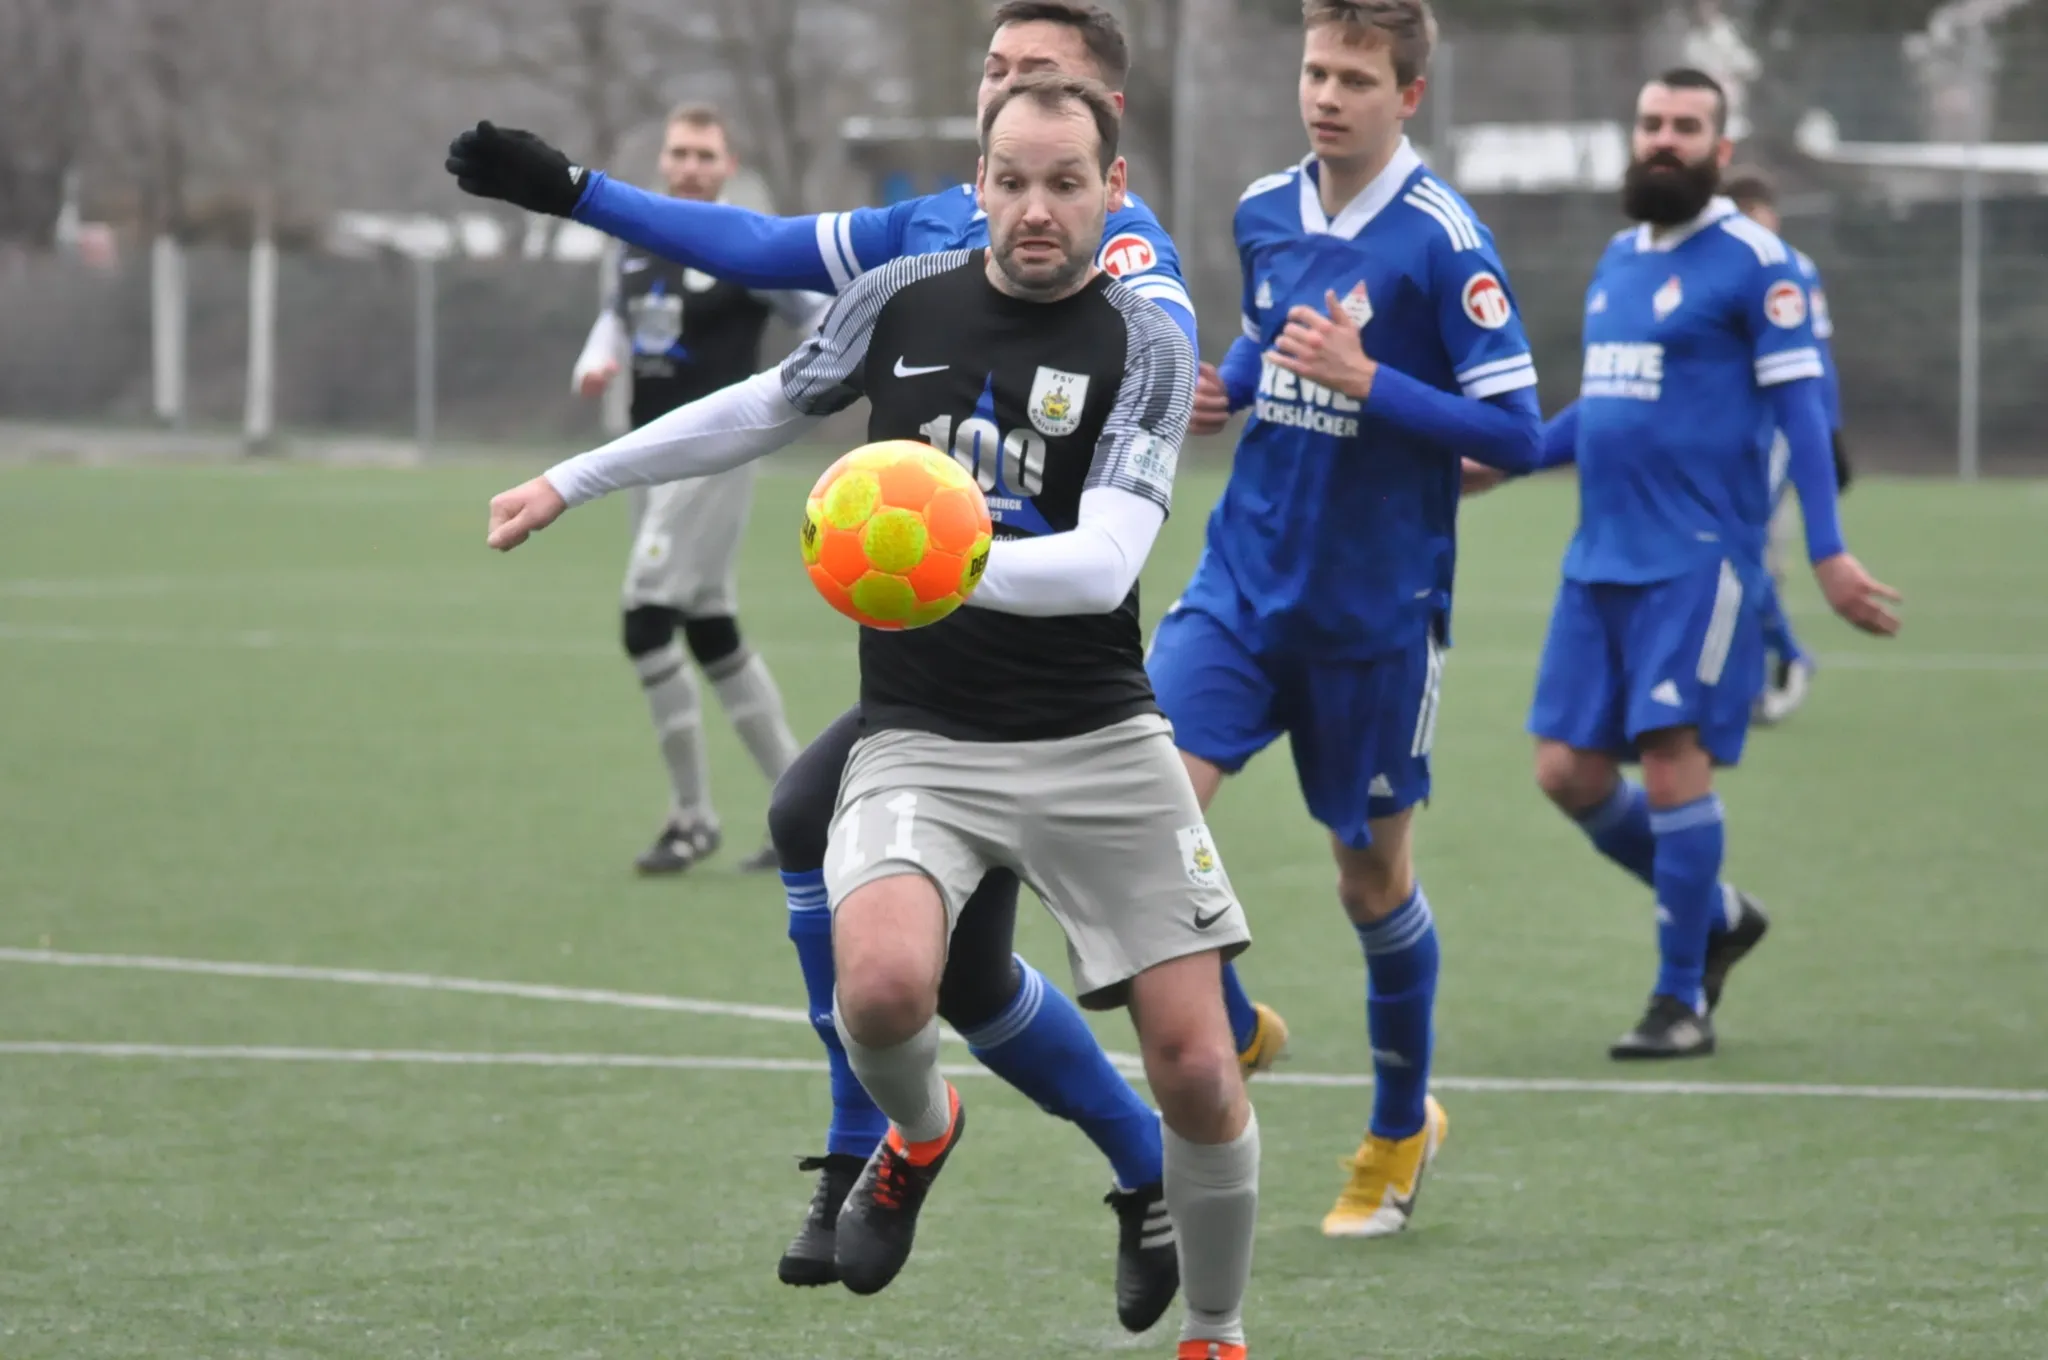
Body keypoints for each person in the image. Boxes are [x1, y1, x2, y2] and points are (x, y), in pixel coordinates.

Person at [447, 2, 1280, 1330]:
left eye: (1065, 177)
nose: (1034, 207)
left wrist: (939, 562)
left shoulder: (1150, 322)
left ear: (1111, 181)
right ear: (977, 171)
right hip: (925, 732)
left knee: (1192, 1064)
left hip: (1094, 733)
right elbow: (764, 383)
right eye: (1008, 171)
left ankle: (1212, 1327)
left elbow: (1108, 562)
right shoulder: (905, 285)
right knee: (888, 983)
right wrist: (572, 473)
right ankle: (904, 1136)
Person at [1167, 0, 1544, 1239]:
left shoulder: (1446, 244)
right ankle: (1230, 1024)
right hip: (1237, 587)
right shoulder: (1264, 208)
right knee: (1137, 811)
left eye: (1355, 78)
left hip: (1372, 616)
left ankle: (1395, 1130)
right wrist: (1227, 379)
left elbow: (1517, 433)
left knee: (1369, 881)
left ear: (1408, 96)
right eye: (1315, 71)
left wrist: (1371, 382)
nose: (1326, 95)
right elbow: (1269, 330)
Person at [1513, 69, 1899, 1059]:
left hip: (1696, 560)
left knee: (1674, 759)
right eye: (1650, 122)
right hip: (1596, 556)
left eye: (1686, 127)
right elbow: (1601, 403)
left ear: (1719, 151)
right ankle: (1716, 912)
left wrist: (1824, 551)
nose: (1664, 139)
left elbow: (1802, 414)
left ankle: (1678, 996)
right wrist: (1499, 461)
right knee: (1564, 772)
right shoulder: (1616, 257)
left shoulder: (1754, 263)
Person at [571, 102, 826, 874]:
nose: (689, 165)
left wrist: (797, 391)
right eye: (679, 152)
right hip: (645, 456)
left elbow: (822, 318)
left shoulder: (748, 247)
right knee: (710, 630)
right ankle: (802, 813)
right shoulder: (639, 241)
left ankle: (692, 818)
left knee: (645, 621)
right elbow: (619, 318)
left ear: (727, 166)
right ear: (665, 161)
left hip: (710, 454)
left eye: (704, 155)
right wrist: (597, 358)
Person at [1722, 165, 1854, 726]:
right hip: (1724, 438)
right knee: (1733, 553)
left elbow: (1812, 366)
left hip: (1772, 434)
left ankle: (1784, 659)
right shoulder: (1720, 262)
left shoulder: (1791, 269)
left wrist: (1829, 434)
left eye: (1762, 213)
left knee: (1746, 551)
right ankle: (1761, 668)